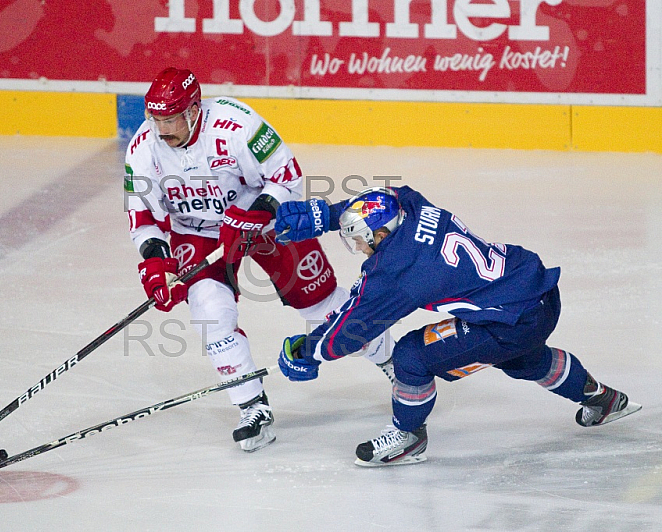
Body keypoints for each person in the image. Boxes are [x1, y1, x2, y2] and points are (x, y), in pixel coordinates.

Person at [123, 67, 392, 452]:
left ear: (194, 110)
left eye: (171, 119)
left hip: (264, 224)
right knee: (211, 317)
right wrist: (154, 262)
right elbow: (143, 217)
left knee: (322, 306)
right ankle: (252, 407)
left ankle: (392, 361)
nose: (162, 128)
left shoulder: (238, 125)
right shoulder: (143, 149)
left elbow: (287, 176)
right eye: (156, 118)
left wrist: (257, 213)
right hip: (197, 233)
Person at [274, 186, 642, 466]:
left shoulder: (398, 273)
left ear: (382, 235)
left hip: (509, 321)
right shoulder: (414, 207)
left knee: (410, 357)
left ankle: (409, 437)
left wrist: (310, 351)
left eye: (359, 240)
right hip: (536, 289)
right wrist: (326, 216)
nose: (358, 247)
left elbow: (353, 329)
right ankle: (602, 398)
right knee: (521, 359)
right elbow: (384, 195)